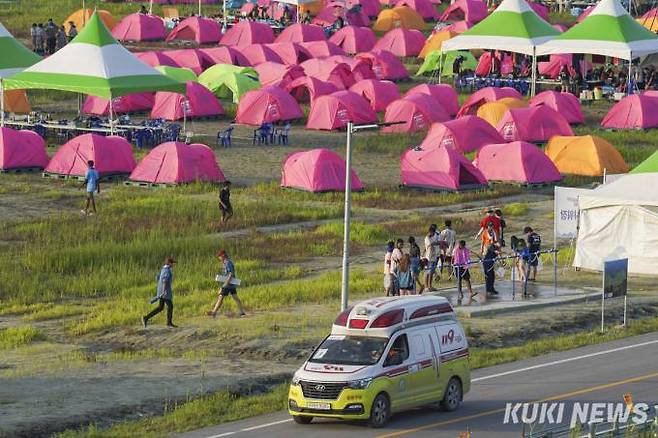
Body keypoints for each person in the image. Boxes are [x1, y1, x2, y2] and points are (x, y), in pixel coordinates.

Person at [208, 250, 247, 317]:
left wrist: (224, 285)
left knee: (221, 297)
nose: (219, 258)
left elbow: (230, 274)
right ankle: (242, 312)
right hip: (231, 283)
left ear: (223, 255)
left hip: (228, 284)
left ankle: (214, 312)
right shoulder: (226, 262)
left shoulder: (228, 263)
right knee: (235, 297)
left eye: (219, 256)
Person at [142, 256, 177, 328]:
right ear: (169, 263)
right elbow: (164, 280)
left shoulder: (163, 269)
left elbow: (157, 277)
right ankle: (169, 323)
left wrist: (160, 288)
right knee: (170, 306)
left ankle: (146, 318)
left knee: (160, 307)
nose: (173, 265)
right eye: (172, 263)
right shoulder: (167, 270)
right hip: (165, 293)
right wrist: (164, 291)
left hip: (161, 291)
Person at [452, 240, 477, 306]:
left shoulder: (466, 249)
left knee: (467, 279)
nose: (462, 247)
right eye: (461, 246)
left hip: (464, 266)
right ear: (459, 245)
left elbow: (468, 257)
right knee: (459, 280)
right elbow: (453, 257)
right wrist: (452, 265)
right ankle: (460, 292)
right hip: (457, 266)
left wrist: (468, 263)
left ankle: (471, 292)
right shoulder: (455, 250)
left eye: (463, 246)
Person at [423, 225, 441, 292]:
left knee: (432, 272)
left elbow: (438, 243)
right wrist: (435, 243)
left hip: (434, 256)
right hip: (428, 257)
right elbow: (430, 245)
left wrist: (436, 243)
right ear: (430, 232)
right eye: (433, 233)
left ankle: (430, 286)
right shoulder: (427, 238)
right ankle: (426, 286)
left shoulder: (434, 236)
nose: (433, 234)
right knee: (427, 272)